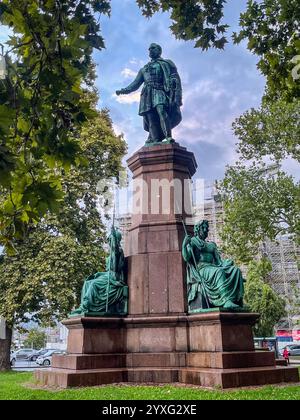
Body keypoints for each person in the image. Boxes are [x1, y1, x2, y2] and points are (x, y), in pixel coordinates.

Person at [116, 43, 182, 144]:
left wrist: (175, 89)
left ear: (159, 51)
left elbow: (174, 77)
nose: (150, 50)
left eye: (153, 48)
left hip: (160, 90)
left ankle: (168, 137)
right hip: (147, 94)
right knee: (151, 118)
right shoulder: (144, 69)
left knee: (161, 110)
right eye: (149, 49)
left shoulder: (167, 63)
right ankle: (155, 139)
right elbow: (135, 84)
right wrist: (124, 90)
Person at [182, 220, 245, 312]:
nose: (205, 230)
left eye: (206, 228)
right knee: (219, 272)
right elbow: (187, 257)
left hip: (214, 267)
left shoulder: (212, 245)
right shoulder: (193, 242)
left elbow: (219, 261)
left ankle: (236, 301)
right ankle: (226, 300)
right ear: (197, 229)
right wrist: (184, 245)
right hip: (202, 269)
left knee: (236, 270)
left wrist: (227, 263)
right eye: (202, 228)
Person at [70, 227, 127, 315]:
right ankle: (83, 306)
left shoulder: (118, 252)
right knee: (88, 282)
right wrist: (99, 274)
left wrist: (114, 237)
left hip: (115, 279)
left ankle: (87, 306)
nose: (109, 243)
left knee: (94, 284)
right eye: (109, 241)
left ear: (116, 241)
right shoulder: (110, 254)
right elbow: (108, 270)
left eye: (111, 241)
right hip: (108, 276)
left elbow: (115, 258)